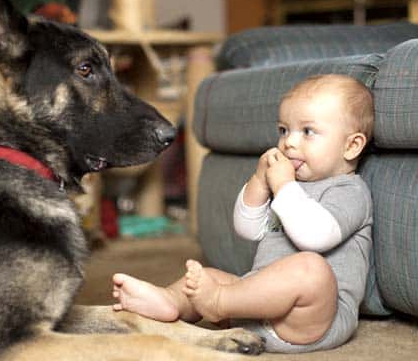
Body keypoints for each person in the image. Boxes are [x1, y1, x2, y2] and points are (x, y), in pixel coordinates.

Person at [112, 74, 374, 353]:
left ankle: (219, 302)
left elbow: (315, 237)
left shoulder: (349, 191)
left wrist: (283, 186)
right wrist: (259, 182)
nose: (289, 143)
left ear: (351, 146)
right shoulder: (287, 186)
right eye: (284, 130)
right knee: (211, 276)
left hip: (317, 320)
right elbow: (248, 230)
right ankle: (169, 301)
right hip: (255, 309)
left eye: (307, 132)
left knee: (311, 269)